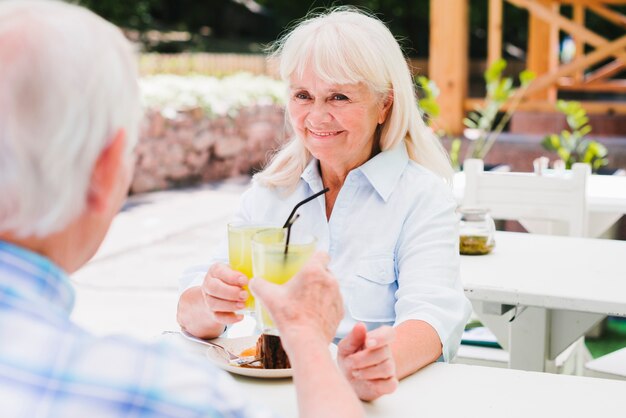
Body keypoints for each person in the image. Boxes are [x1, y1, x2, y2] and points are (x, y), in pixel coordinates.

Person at [0, 1, 364, 417]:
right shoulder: (159, 391)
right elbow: (197, 304)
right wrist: (306, 336)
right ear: (104, 171)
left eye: (338, 95)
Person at [177, 6, 472, 401]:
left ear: (384, 104)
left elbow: (431, 321)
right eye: (303, 95)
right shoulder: (270, 193)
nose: (316, 116)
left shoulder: (421, 196)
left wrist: (376, 363)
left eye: (339, 96)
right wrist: (211, 301)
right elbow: (194, 316)